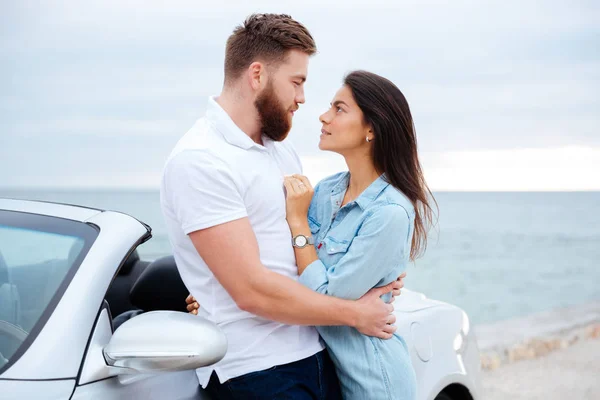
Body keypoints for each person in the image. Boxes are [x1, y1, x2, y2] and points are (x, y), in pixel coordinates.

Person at [161, 14, 404, 400]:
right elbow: (251, 291)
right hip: (257, 369)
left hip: (321, 349)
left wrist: (376, 273)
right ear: (257, 75)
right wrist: (357, 314)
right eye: (297, 82)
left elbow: (304, 246)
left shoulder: (281, 151)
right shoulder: (200, 160)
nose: (303, 98)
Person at [282, 70, 436, 399]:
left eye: (339, 109)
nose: (323, 116)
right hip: (324, 374)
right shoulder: (325, 192)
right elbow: (285, 263)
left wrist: (298, 223)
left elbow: (324, 297)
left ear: (371, 129)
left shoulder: (390, 212)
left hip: (374, 383)